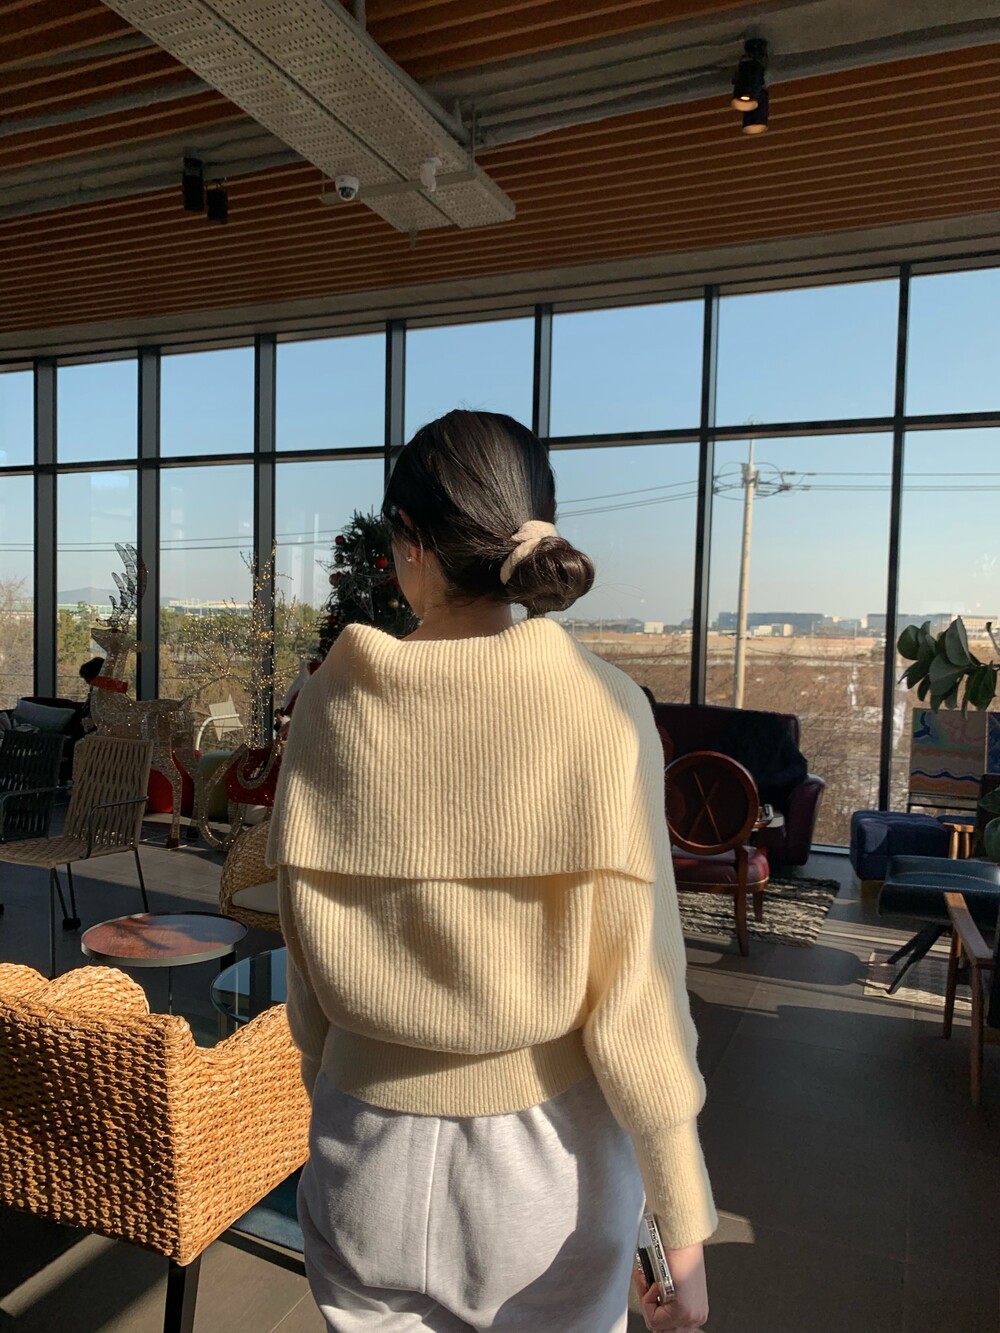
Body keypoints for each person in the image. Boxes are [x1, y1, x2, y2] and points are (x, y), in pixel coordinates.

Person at [268, 410, 715, 1333]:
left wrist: (336, 1091)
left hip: (359, 1154)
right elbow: (640, 998)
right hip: (546, 1176)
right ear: (536, 532)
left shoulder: (327, 705)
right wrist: (681, 1232)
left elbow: (304, 967)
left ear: (409, 541)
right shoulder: (602, 709)